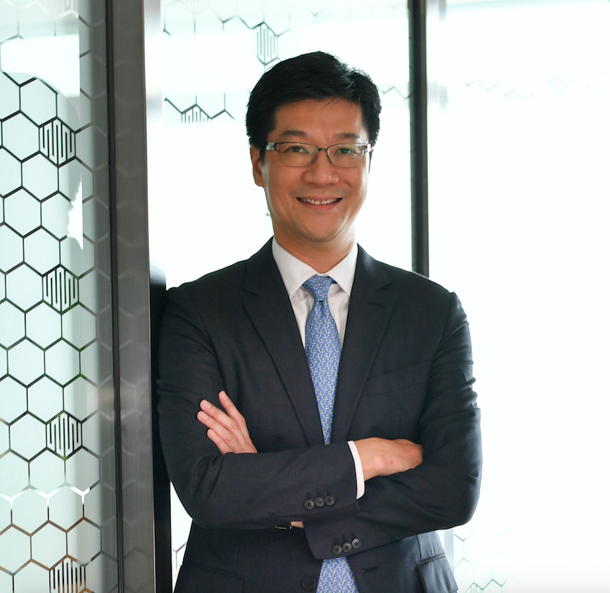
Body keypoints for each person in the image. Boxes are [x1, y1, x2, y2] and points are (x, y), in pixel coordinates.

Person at [157, 51, 482, 593]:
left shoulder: (431, 313)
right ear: (258, 162)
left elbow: (453, 489)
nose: (322, 172)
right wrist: (371, 457)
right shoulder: (198, 313)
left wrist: (272, 491)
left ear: (369, 161)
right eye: (296, 148)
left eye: (345, 149)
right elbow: (209, 489)